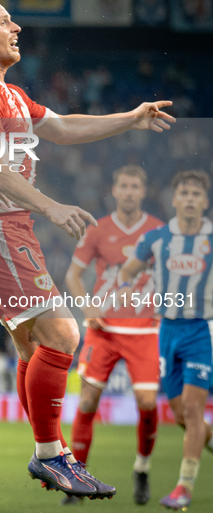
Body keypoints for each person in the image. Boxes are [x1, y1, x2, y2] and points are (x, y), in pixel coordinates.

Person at [0, 0, 175, 499]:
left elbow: (62, 128)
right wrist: (51, 206)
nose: (16, 27)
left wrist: (130, 118)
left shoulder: (10, 94)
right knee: (62, 333)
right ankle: (51, 456)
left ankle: (51, 451)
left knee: (33, 345)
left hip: (8, 229)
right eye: (4, 21)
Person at [64, 166, 163, 505]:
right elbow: (73, 276)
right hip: (103, 330)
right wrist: (87, 308)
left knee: (148, 405)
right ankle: (77, 478)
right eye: (124, 186)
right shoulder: (98, 230)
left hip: (144, 330)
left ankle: (142, 468)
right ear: (115, 190)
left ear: (143, 192)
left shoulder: (158, 232)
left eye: (136, 186)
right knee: (88, 402)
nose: (130, 191)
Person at [119, 170, 213, 510]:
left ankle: (183, 489)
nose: (189, 199)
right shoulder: (156, 238)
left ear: (205, 201)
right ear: (175, 200)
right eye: (184, 193)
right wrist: (128, 288)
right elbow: (127, 272)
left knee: (192, 408)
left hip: (203, 331)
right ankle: (205, 438)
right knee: (180, 414)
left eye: (196, 194)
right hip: (167, 332)